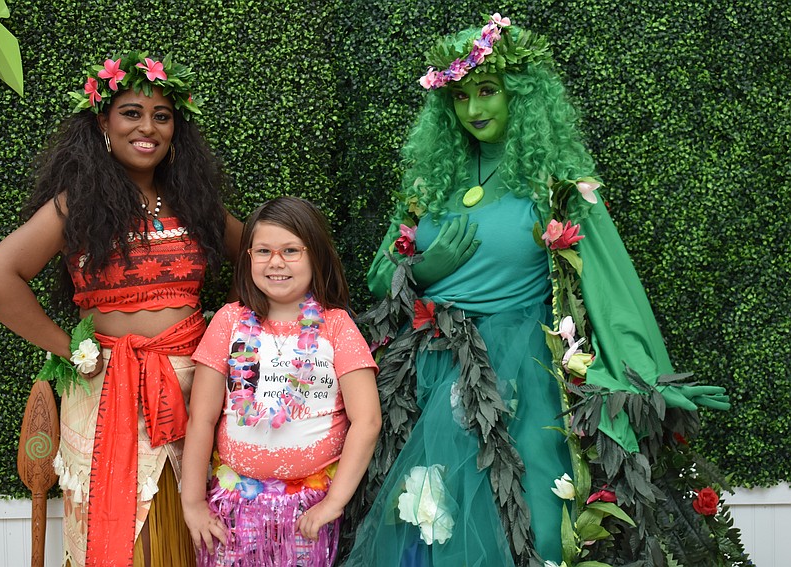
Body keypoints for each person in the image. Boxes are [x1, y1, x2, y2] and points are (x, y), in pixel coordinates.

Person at [343, 13, 736, 567]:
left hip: (522, 369)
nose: (474, 109)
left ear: (520, 95)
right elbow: (383, 277)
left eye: (487, 91)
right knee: (429, 525)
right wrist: (426, 269)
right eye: (459, 97)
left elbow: (610, 287)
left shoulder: (555, 184)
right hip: (430, 371)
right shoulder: (431, 185)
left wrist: (647, 378)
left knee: (534, 527)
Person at [0, 52, 242, 567]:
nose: (148, 128)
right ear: (103, 123)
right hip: (103, 392)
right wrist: (70, 349)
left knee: (195, 533)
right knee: (119, 536)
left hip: (190, 391)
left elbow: (260, 257)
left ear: (175, 130)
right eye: (131, 113)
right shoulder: (77, 204)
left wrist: (230, 328)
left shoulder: (195, 200)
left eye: (162, 116)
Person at [182, 196, 382, 566]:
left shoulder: (335, 326)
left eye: (291, 250)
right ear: (248, 259)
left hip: (310, 510)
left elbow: (367, 420)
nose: (276, 262)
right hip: (232, 509)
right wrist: (193, 503)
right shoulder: (228, 322)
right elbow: (202, 419)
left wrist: (334, 503)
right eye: (263, 251)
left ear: (315, 256)